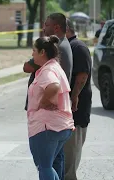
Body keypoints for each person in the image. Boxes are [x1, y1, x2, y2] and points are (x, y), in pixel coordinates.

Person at [23, 13, 73, 180]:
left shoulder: (48, 70)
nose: (33, 55)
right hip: (60, 126)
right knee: (48, 166)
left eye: (34, 52)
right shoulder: (54, 66)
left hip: (47, 127)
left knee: (44, 167)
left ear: (43, 52)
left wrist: (45, 101)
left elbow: (54, 86)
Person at [64, 19, 92, 180]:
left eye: (49, 26)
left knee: (70, 158)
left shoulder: (78, 47)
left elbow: (82, 75)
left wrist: (73, 97)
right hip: (66, 112)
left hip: (76, 112)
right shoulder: (66, 47)